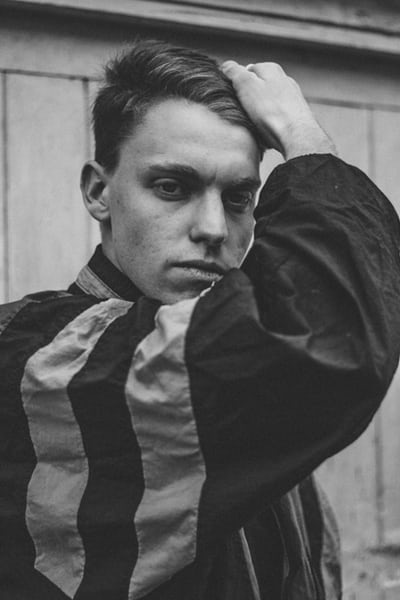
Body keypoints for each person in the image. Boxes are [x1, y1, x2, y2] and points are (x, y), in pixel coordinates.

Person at [0, 38, 399, 600]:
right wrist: (304, 140)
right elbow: (324, 333)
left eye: (238, 198)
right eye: (172, 187)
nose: (213, 228)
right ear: (98, 191)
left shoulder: (242, 372)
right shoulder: (24, 356)